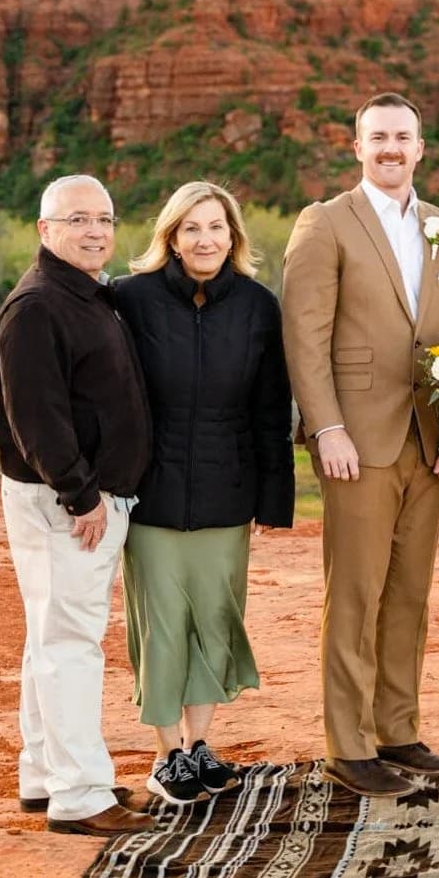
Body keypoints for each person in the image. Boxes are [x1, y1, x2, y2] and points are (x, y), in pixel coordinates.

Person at [281, 92, 439, 798]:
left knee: (410, 594)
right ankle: (349, 744)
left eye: (402, 137)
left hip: (429, 438)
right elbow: (304, 334)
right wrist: (325, 426)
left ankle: (398, 729)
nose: (391, 148)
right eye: (378, 136)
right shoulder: (325, 222)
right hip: (355, 441)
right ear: (357, 146)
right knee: (355, 593)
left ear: (420, 148)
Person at [111, 181, 294, 806]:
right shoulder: (130, 299)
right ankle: (166, 754)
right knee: (162, 625)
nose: (205, 239)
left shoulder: (258, 306)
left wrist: (273, 497)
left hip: (227, 492)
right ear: (171, 237)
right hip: (151, 495)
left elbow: (271, 407)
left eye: (216, 227)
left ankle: (198, 745)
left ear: (233, 236)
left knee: (215, 620)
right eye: (191, 228)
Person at [0, 174, 155, 835]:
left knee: (49, 638)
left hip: (75, 498)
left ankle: (42, 774)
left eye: (104, 219)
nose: (94, 231)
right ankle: (80, 796)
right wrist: (82, 495)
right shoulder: (37, 307)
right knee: (70, 644)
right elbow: (37, 417)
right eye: (78, 219)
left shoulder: (84, 294)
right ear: (45, 229)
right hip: (69, 504)